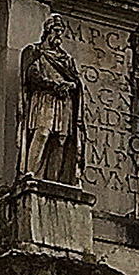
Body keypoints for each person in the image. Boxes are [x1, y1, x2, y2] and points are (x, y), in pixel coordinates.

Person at [16, 13, 86, 183]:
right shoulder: (36, 52)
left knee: (61, 139)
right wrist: (53, 85)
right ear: (47, 31)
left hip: (64, 102)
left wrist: (69, 86)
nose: (58, 35)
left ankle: (54, 178)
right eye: (55, 31)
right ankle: (30, 171)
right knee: (42, 133)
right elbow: (32, 76)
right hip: (44, 99)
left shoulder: (67, 60)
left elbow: (76, 81)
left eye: (60, 32)